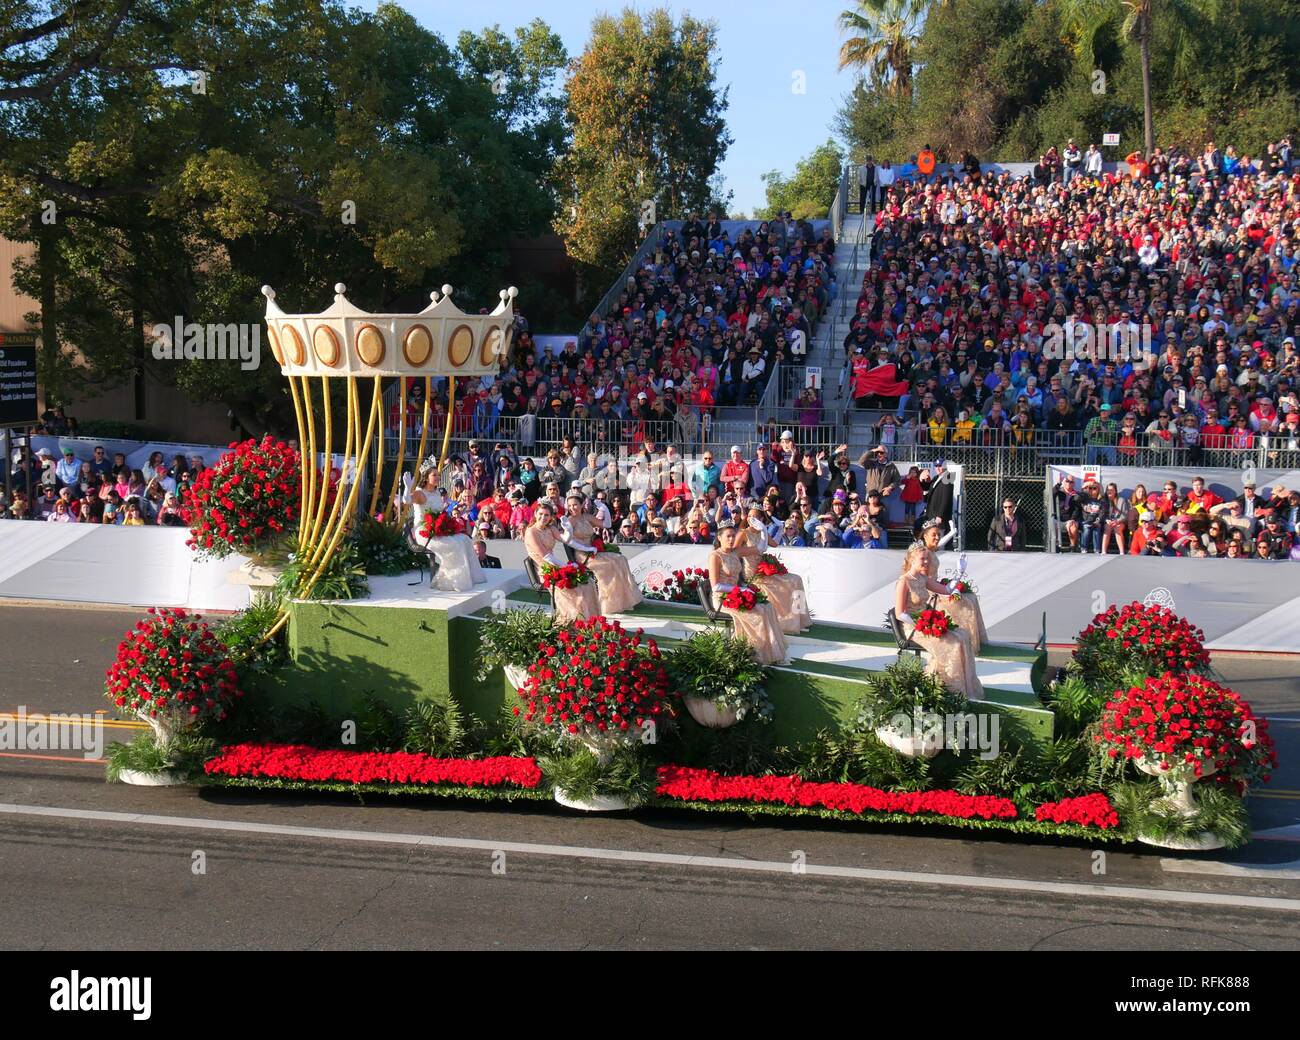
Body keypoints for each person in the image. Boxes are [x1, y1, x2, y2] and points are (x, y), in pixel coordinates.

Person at [895, 545, 984, 700]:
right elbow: (900, 613)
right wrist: (920, 624)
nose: (926, 562)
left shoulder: (923, 578)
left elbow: (947, 589)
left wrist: (960, 572)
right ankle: (951, 689)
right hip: (912, 627)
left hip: (926, 622)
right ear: (912, 560)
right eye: (922, 559)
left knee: (963, 635)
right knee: (953, 643)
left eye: (927, 559)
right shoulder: (904, 582)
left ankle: (961, 687)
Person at [708, 520, 788, 665]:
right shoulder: (715, 556)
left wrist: (763, 529)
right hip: (722, 599)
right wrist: (740, 589)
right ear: (719, 538)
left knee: (767, 607)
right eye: (728, 536)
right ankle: (752, 653)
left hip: (737, 594)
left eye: (733, 535)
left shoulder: (736, 551)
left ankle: (769, 652)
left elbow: (761, 548)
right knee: (758, 613)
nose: (732, 539)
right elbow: (715, 587)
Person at [406, 466, 486, 593]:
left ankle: (471, 577)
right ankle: (450, 582)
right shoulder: (420, 492)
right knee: (454, 545)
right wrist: (407, 488)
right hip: (425, 531)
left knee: (465, 539)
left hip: (439, 527)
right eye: (434, 475)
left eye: (438, 475)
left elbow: (440, 512)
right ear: (426, 477)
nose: (438, 477)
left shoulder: (437, 492)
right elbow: (406, 500)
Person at [562, 490, 641, 615]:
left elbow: (607, 524)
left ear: (582, 505)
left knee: (621, 559)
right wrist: (587, 549)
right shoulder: (570, 521)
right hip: (581, 555)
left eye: (575, 504)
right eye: (570, 505)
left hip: (593, 552)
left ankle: (623, 600)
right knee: (608, 566)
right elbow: (568, 542)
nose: (572, 508)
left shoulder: (587, 517)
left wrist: (604, 509)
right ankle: (608, 604)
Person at [524, 501, 599, 622]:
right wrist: (566, 566)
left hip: (557, 565)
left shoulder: (551, 528)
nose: (543, 517)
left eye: (547, 515)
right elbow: (546, 556)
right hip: (544, 569)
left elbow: (567, 540)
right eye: (541, 514)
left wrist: (570, 531)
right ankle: (571, 623)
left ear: (551, 517)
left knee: (588, 583)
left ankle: (589, 620)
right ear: (535, 513)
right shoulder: (531, 532)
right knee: (572, 589)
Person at [739, 507, 811, 634]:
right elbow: (735, 551)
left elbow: (774, 544)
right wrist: (756, 546)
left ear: (761, 519)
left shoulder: (762, 531)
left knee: (796, 579)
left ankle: (799, 620)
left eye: (755, 517)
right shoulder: (744, 533)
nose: (751, 519)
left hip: (763, 572)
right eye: (749, 516)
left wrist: (777, 529)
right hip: (752, 575)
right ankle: (786, 622)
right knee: (785, 585)